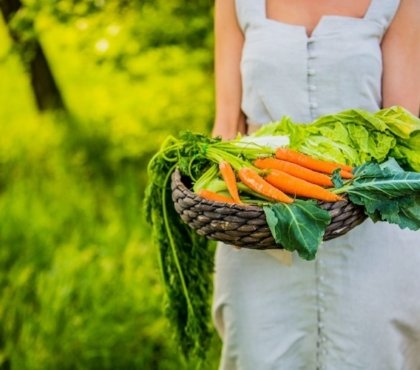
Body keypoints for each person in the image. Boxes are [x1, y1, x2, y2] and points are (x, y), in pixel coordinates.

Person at [211, 0, 420, 369]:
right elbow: (227, 126)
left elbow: (401, 131)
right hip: (261, 232)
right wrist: (220, 191)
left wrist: (341, 182)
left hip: (372, 230)